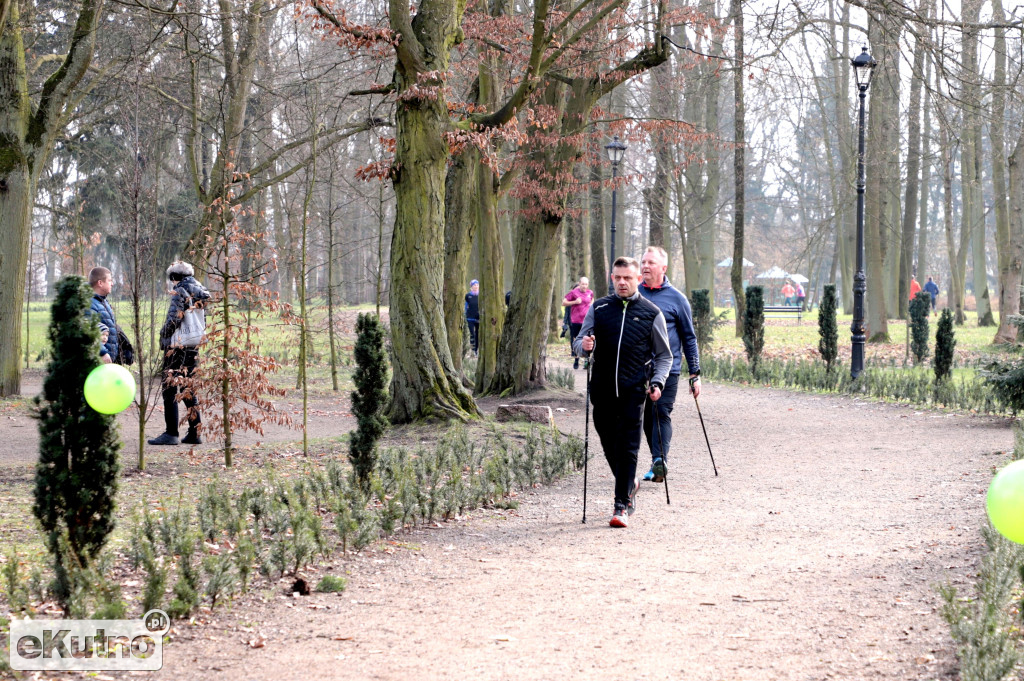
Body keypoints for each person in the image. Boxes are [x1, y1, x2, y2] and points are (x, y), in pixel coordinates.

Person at [574, 257, 672, 528]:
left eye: (627, 278)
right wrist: (585, 345)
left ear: (638, 278)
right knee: (609, 444)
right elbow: (578, 345)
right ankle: (630, 484)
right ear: (611, 278)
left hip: (634, 391)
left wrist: (659, 382)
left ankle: (622, 505)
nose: (621, 282)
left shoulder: (652, 312)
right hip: (602, 392)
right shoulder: (600, 308)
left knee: (629, 447)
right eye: (617, 278)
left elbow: (665, 356)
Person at [637, 246, 701, 483]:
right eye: (643, 262)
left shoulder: (677, 299)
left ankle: (659, 460)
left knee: (661, 412)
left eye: (651, 262)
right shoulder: (634, 295)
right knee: (644, 417)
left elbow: (689, 337)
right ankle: (657, 460)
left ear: (663, 268)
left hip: (668, 368)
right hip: (637, 368)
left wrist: (695, 374)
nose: (645, 266)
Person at [149, 262, 210, 446]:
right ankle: (195, 432)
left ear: (174, 277)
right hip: (193, 346)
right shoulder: (201, 291)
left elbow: (174, 319)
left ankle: (171, 433)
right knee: (188, 389)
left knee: (169, 390)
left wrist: (163, 335)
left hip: (177, 348)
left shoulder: (180, 291)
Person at [86, 267, 119, 365]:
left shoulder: (103, 301)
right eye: (109, 280)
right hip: (97, 362)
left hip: (106, 362)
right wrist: (102, 352)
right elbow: (88, 331)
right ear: (100, 283)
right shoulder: (89, 303)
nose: (112, 283)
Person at [563, 276, 593, 370]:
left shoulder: (590, 293)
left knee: (588, 340)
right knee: (576, 340)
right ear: (579, 283)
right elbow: (564, 302)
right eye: (583, 284)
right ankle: (576, 359)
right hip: (575, 321)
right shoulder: (573, 293)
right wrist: (575, 301)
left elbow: (592, 301)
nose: (584, 286)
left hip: (587, 322)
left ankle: (586, 361)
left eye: (586, 284)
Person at [464, 280, 480, 356]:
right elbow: (466, 306)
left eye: (477, 285)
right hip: (470, 317)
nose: (476, 286)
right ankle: (472, 349)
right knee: (472, 333)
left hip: (479, 318)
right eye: (474, 285)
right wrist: (465, 314)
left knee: (477, 334)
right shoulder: (468, 296)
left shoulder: (481, 295)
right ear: (471, 287)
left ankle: (476, 350)